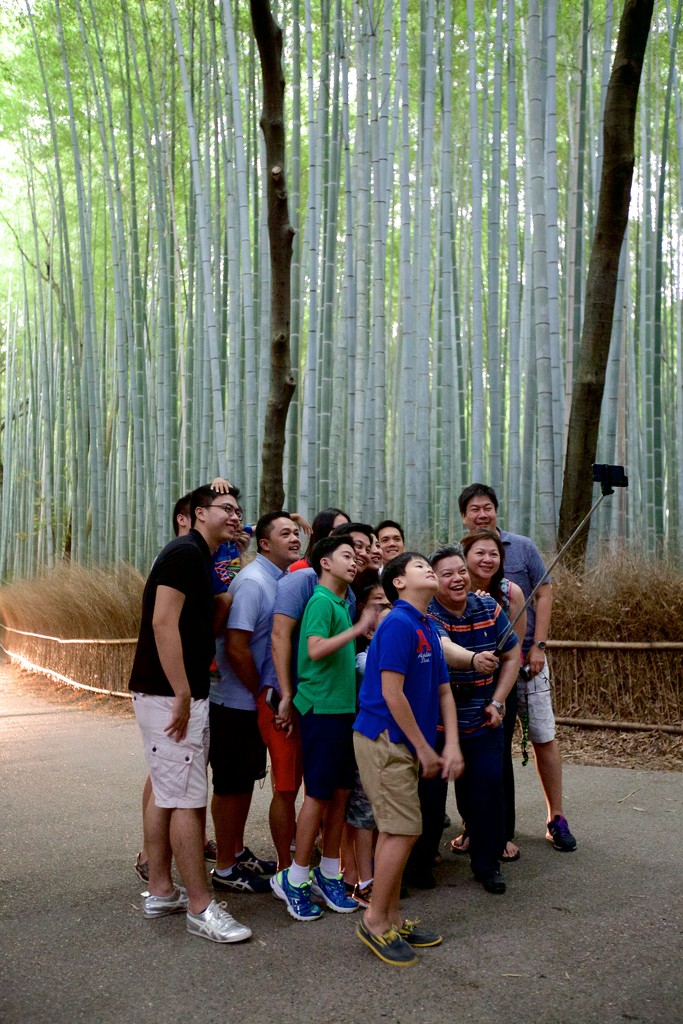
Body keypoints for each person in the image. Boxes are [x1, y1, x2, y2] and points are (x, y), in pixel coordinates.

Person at [128, 484, 251, 943]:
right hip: (169, 692)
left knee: (169, 790)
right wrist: (181, 690)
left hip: (177, 690)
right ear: (197, 513)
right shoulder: (184, 553)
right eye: (226, 508)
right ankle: (201, 907)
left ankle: (161, 890)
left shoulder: (203, 556)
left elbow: (202, 621)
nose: (236, 516)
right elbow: (163, 621)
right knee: (187, 799)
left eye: (240, 510)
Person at [353, 552, 463, 966]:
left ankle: (391, 916)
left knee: (397, 830)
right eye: (419, 566)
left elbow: (444, 692)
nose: (429, 569)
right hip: (385, 738)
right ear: (398, 582)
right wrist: (423, 747)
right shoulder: (398, 623)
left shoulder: (426, 626)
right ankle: (375, 922)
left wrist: (450, 744)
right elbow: (392, 694)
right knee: (402, 830)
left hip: (404, 742)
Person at [458, 484, 577, 851]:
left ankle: (555, 818)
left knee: (542, 736)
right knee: (484, 749)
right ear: (464, 516)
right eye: (475, 508)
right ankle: (478, 826)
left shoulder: (521, 547)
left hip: (527, 661)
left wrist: (538, 645)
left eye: (488, 507)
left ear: (497, 510)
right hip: (478, 669)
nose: (482, 513)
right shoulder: (458, 557)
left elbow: (545, 591)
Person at [271, 535, 379, 921]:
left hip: (342, 710)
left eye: (356, 556)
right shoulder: (320, 600)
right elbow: (315, 648)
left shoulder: (340, 602)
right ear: (325, 563)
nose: (354, 562)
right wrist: (358, 628)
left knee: (339, 794)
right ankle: (295, 878)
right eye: (346, 556)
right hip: (321, 710)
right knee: (317, 795)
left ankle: (329, 873)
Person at [209, 512, 302, 894]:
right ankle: (226, 868)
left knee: (246, 778)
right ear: (264, 543)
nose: (295, 537)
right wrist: (258, 691)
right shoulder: (253, 582)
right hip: (236, 699)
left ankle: (236, 849)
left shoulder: (282, 579)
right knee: (231, 783)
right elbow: (235, 645)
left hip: (251, 699)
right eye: (285, 533)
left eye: (296, 532)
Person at [428, 545, 520, 895]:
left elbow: (512, 654)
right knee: (429, 798)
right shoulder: (428, 612)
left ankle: (488, 865)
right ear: (433, 580)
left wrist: (498, 701)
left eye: (460, 571)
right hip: (437, 722)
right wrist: (473, 659)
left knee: (487, 793)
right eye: (447, 574)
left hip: (483, 717)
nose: (457, 578)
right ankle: (421, 862)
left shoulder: (488, 607)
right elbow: (443, 648)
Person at [455, 528, 526, 862]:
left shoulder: (511, 593)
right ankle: (471, 826)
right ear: (465, 557)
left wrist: (499, 695)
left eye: (493, 554)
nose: (487, 559)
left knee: (496, 760)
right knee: (462, 758)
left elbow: (515, 649)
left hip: (500, 685)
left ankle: (500, 833)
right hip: (459, 685)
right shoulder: (452, 589)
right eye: (479, 553)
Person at [288, 507, 350, 572]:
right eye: (338, 529)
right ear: (322, 532)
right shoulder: (301, 569)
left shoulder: (351, 569)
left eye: (347, 531)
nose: (344, 535)